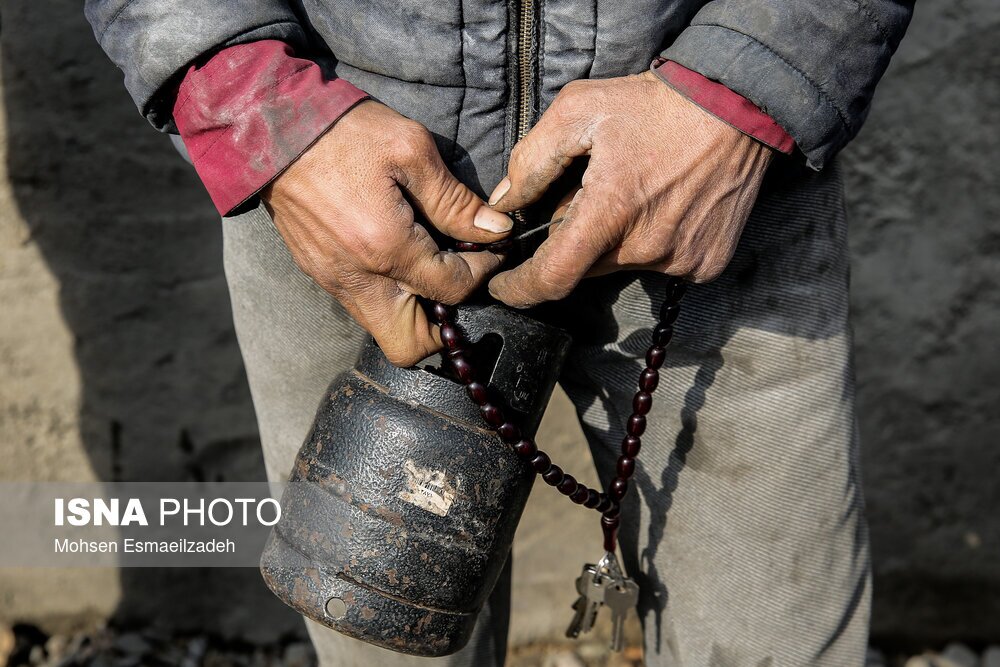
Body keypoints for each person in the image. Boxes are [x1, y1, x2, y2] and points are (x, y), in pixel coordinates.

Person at [85, 2, 912, 665]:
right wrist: (254, 102)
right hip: (345, 186)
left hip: (708, 173)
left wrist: (745, 92)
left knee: (770, 630)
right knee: (376, 627)